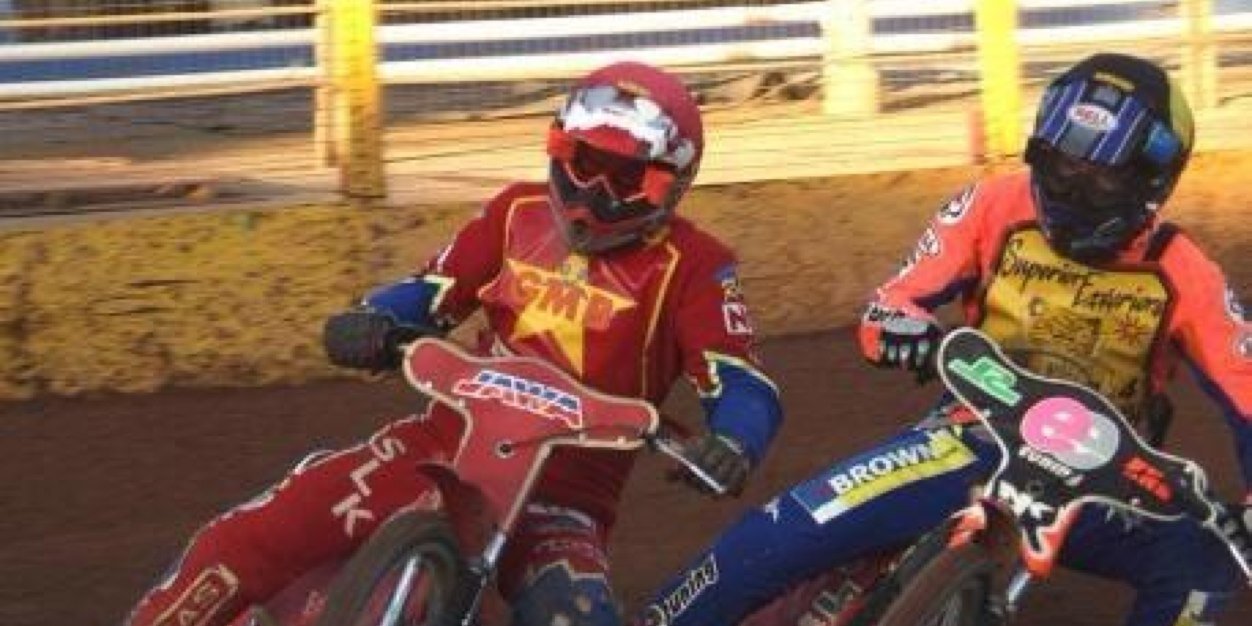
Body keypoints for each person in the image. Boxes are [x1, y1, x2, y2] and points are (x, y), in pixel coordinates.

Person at [124, 61, 783, 626]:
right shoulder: (515, 211)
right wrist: (373, 319)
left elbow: (741, 379)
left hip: (563, 501)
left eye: (625, 177)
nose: (595, 192)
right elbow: (430, 291)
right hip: (439, 446)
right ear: (559, 149)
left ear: (671, 183)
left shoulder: (698, 266)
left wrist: (734, 441)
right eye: (585, 164)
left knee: (576, 616)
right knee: (244, 539)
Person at [639, 53, 1252, 626]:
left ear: (1151, 181)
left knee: (1205, 567)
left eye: (1099, 178)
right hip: (971, 436)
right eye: (1061, 166)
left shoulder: (1185, 271)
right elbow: (890, 304)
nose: (1072, 190)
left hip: (1105, 483)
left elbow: (1246, 389)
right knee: (796, 523)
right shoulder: (993, 203)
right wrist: (904, 331)